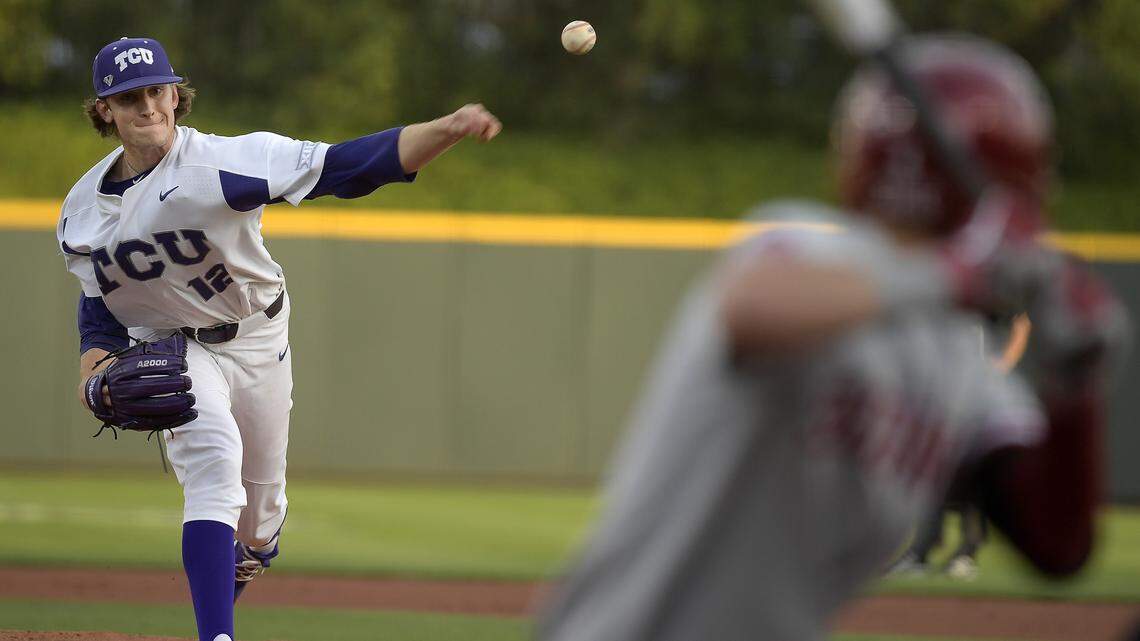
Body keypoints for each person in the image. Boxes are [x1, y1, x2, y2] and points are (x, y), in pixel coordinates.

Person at [538, 34, 1128, 641]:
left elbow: (1057, 546)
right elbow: (750, 308)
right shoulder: (803, 247)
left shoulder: (962, 365)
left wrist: (1074, 389)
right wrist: (954, 272)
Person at [59, 37, 501, 641]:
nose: (147, 108)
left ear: (175, 94)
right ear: (105, 109)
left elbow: (351, 165)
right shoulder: (80, 212)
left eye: (156, 91)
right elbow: (98, 306)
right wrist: (94, 371)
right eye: (128, 98)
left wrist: (448, 127)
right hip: (172, 347)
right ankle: (216, 636)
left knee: (260, 521)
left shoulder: (220, 164)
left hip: (257, 335)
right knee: (216, 464)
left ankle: (243, 564)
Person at [888, 314, 1032, 580]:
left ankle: (967, 552)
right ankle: (921, 551)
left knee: (971, 474)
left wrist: (1003, 363)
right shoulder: (940, 290)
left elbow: (1020, 323)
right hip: (941, 394)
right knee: (930, 473)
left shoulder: (983, 285)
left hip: (977, 397)